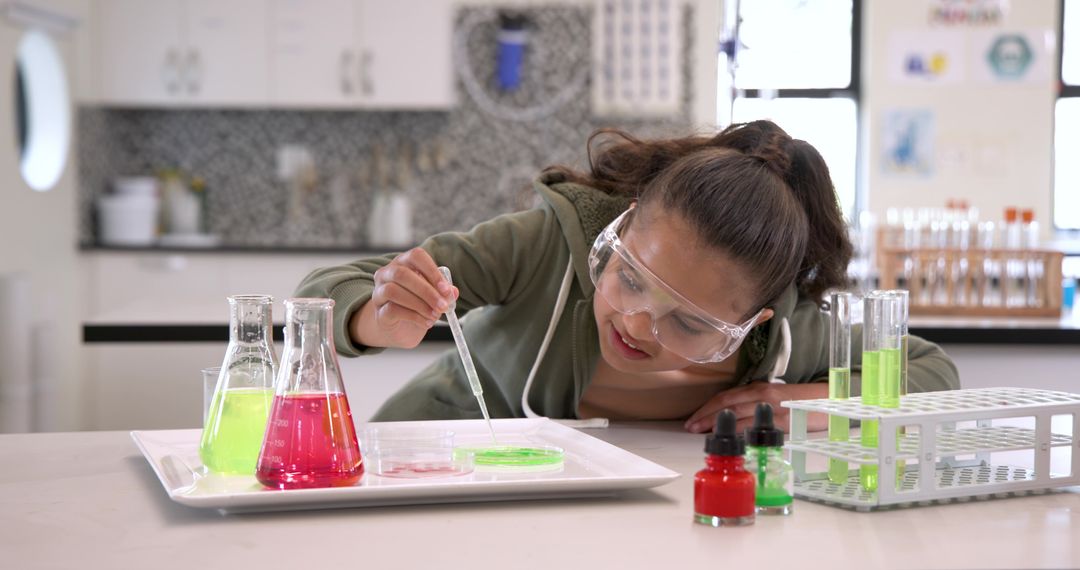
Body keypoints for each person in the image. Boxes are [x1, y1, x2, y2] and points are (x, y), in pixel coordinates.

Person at [296, 120, 959, 433]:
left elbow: (934, 374)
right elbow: (326, 289)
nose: (638, 324)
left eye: (693, 323)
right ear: (623, 228)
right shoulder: (545, 247)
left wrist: (818, 401)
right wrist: (369, 313)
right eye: (633, 278)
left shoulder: (782, 333)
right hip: (437, 459)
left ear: (750, 325)